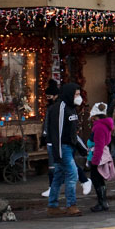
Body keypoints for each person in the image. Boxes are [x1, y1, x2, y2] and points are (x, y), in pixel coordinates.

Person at [46, 83, 83, 216]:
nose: (79, 97)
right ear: (69, 94)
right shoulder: (60, 108)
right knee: (72, 174)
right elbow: (57, 133)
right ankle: (71, 205)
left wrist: (82, 148)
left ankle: (52, 205)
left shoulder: (72, 108)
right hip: (62, 148)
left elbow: (73, 132)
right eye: (76, 94)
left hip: (68, 147)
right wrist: (58, 154)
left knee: (58, 176)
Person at [87, 102, 114, 212]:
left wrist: (95, 160)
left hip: (98, 156)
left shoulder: (98, 127)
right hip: (102, 154)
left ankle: (102, 202)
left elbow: (99, 145)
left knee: (96, 178)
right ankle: (103, 201)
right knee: (99, 179)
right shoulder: (105, 125)